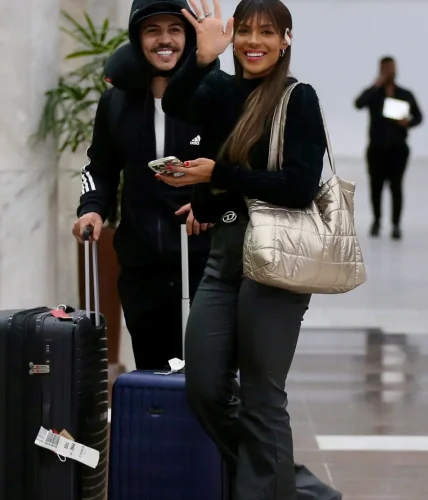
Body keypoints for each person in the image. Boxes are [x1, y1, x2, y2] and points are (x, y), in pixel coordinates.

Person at [159, 0, 343, 499]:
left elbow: (300, 185)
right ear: (234, 37)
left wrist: (219, 175)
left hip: (277, 261)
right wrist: (200, 59)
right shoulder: (219, 88)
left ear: (286, 39)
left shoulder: (296, 98)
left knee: (263, 397)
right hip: (223, 255)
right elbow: (176, 104)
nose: (254, 42)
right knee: (203, 385)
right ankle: (300, 489)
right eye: (245, 32)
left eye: (267, 32)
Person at [72, 0, 213, 371]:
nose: (164, 40)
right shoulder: (115, 103)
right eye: (153, 30)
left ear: (189, 37)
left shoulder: (214, 95)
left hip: (203, 263)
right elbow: (98, 167)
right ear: (137, 38)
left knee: (205, 376)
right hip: (141, 267)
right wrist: (91, 207)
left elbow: (237, 165)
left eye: (175, 30)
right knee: (154, 372)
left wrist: (210, 201)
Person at [355, 56, 422, 240]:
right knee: (375, 187)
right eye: (386, 69)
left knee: (396, 187)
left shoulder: (405, 94)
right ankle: (376, 221)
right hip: (376, 149)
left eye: (392, 68)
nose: (390, 72)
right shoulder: (374, 94)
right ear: (380, 70)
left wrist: (408, 122)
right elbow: (358, 103)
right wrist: (376, 85)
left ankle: (396, 225)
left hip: (398, 149)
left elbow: (419, 116)